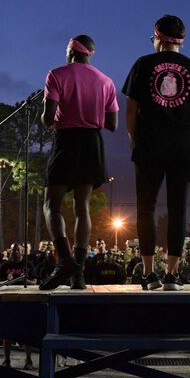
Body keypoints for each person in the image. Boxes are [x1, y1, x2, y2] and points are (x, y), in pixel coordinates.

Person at [122, 14, 190, 291]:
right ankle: (173, 275)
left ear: (158, 37)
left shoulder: (143, 64)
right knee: (178, 209)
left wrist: (134, 141)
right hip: (185, 147)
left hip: (150, 144)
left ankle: (150, 274)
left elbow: (130, 110)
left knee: (145, 208)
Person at [39, 34, 119, 291]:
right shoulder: (106, 81)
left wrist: (47, 116)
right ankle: (79, 275)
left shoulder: (56, 74)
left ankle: (64, 261)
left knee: (51, 205)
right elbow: (113, 124)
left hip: (66, 140)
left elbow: (48, 117)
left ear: (72, 51)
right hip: (93, 143)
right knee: (82, 206)